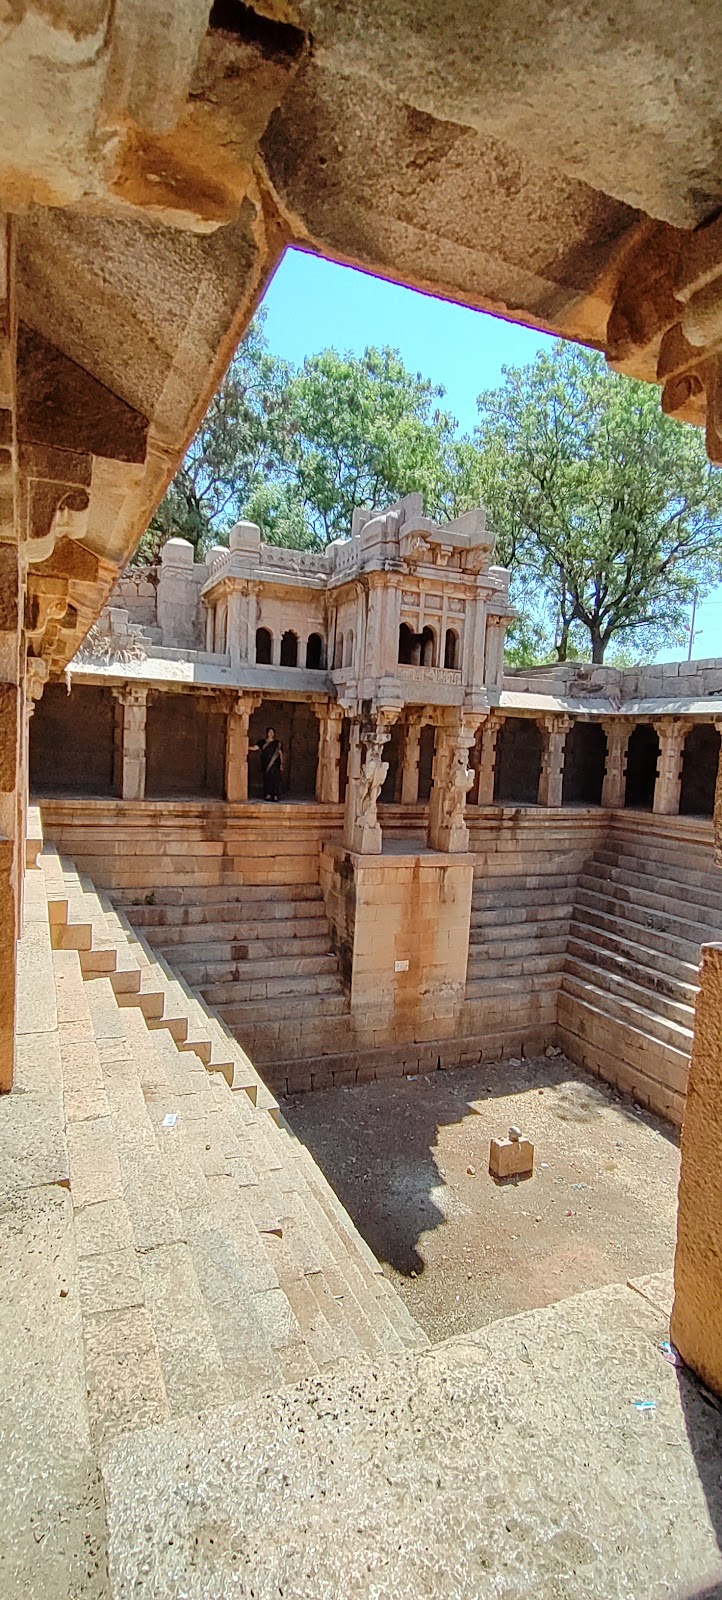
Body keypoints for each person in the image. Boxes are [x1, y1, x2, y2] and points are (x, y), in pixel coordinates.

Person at [251, 726, 284, 801]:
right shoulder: (262, 742)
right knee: (267, 779)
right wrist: (245, 747)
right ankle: (268, 794)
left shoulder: (278, 743)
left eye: (272, 732)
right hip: (266, 764)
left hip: (275, 764)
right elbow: (255, 748)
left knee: (276, 779)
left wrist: (282, 763)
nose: (271, 734)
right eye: (270, 732)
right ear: (267, 733)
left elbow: (280, 753)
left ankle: (275, 795)